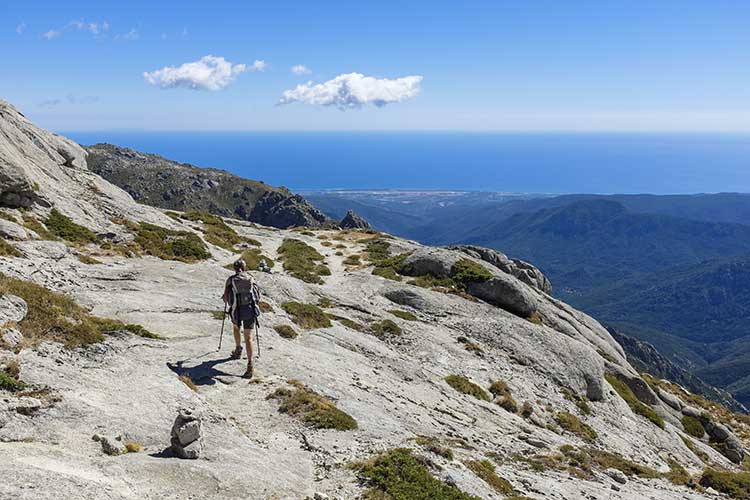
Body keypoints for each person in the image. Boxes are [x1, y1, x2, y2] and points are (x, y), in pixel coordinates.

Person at [223, 259, 261, 378]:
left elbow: (225, 297)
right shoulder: (251, 278)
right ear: (244, 268)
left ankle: (238, 349)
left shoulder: (231, 280)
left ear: (234, 269)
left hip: (236, 310)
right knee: (249, 337)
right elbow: (257, 295)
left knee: (236, 328)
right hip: (249, 310)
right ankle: (250, 364)